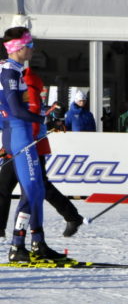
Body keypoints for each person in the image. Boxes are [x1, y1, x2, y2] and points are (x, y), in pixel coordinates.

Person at [0, 26, 65, 261]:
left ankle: (36, 242)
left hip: (24, 134)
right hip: (20, 136)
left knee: (35, 191)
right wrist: (41, 118)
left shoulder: (15, 70)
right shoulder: (9, 72)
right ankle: (18, 246)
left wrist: (42, 118)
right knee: (33, 190)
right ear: (17, 48)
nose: (32, 49)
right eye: (29, 45)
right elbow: (16, 110)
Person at [0, 67, 85, 240]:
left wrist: (17, 145)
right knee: (4, 187)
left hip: (30, 149)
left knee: (39, 188)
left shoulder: (28, 90)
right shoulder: (24, 89)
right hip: (19, 148)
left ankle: (72, 217)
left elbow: (32, 123)